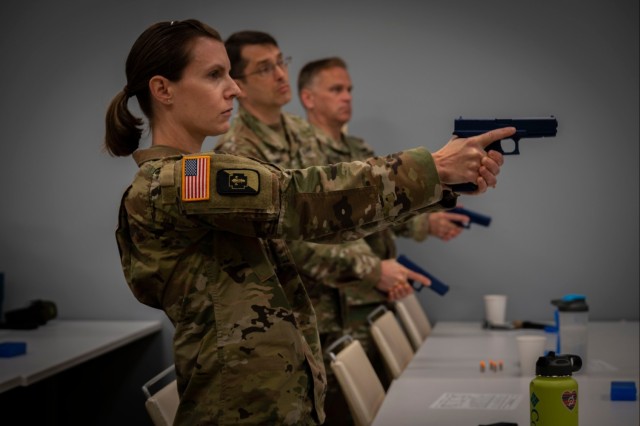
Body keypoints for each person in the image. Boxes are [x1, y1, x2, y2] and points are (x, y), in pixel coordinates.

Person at [105, 20, 511, 425]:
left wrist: (437, 185)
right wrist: (434, 168)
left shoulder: (195, 176)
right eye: (215, 75)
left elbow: (329, 222)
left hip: (270, 401)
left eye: (230, 73)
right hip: (242, 409)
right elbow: (300, 200)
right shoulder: (180, 180)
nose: (235, 88)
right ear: (163, 89)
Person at [214, 34, 495, 424]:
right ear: (238, 84)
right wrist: (372, 270)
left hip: (338, 303)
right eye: (265, 67)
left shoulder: (305, 134)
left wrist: (437, 190)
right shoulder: (235, 155)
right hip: (292, 318)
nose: (281, 73)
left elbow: (347, 211)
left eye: (281, 61)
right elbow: (286, 239)